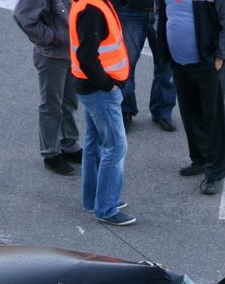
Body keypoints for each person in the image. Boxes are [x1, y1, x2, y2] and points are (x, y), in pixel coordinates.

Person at [154, 0, 225, 195]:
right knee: (190, 112)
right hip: (179, 63)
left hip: (208, 64)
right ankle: (200, 159)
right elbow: (161, 12)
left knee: (213, 117)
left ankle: (215, 173)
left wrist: (221, 55)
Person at [69, 0, 137, 226]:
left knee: (94, 142)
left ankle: (93, 200)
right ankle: (106, 208)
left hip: (90, 88)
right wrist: (108, 84)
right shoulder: (93, 11)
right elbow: (87, 57)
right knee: (116, 145)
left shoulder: (88, 4)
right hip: (100, 90)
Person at [14, 0, 83, 176]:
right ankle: (51, 154)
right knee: (51, 106)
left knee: (70, 102)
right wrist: (50, 37)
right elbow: (23, 17)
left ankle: (69, 145)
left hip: (72, 53)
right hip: (52, 56)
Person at [115, 0, 177, 132]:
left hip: (165, 11)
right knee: (126, 65)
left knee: (165, 65)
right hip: (131, 10)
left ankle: (162, 110)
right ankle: (125, 110)